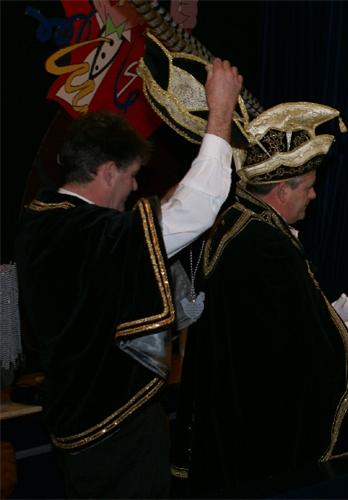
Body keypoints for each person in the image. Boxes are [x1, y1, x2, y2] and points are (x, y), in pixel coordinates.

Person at [14, 59, 243, 498]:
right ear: (107, 172)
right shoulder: (86, 234)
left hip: (80, 427)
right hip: (115, 432)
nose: (135, 189)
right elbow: (193, 212)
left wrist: (166, 207)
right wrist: (220, 114)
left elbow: (144, 230)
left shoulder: (48, 221)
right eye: (132, 176)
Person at [174, 100, 348, 497]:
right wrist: (339, 336)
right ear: (282, 189)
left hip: (228, 409)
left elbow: (274, 318)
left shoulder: (241, 220)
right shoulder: (264, 242)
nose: (314, 195)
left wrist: (328, 314)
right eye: (308, 186)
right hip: (253, 424)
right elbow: (283, 344)